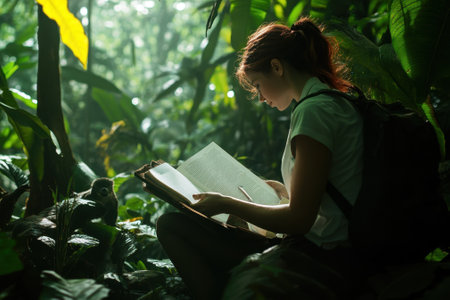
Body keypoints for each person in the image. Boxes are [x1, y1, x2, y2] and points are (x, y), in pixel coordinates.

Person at [152, 17, 364, 299]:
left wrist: (227, 203)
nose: (261, 98)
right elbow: (333, 192)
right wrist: (286, 193)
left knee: (171, 226)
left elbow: (299, 220)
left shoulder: (314, 113)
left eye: (258, 85)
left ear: (276, 67)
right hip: (335, 244)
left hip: (325, 254)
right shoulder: (334, 102)